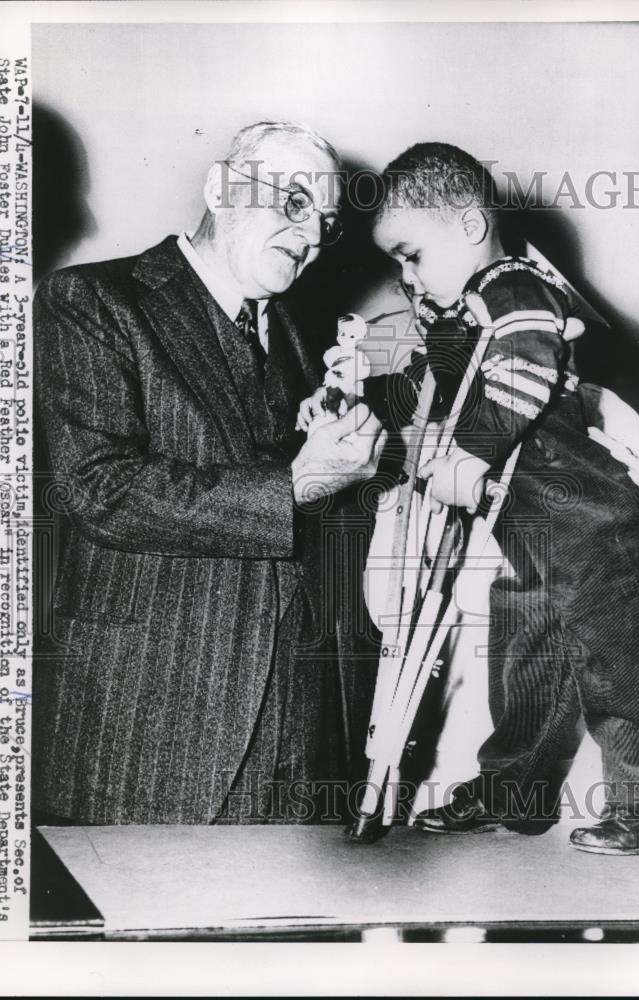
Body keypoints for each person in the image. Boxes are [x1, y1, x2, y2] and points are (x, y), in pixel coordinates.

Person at [32, 121, 386, 826]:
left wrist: (323, 445)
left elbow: (263, 481)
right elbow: (101, 488)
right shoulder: (92, 300)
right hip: (151, 722)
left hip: (295, 721)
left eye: (323, 221)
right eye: (291, 203)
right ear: (221, 188)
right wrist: (296, 484)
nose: (310, 235)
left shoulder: (290, 330)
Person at [356, 142, 639, 855]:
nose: (404, 274)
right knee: (526, 657)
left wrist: (469, 453)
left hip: (592, 520)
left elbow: (526, 366)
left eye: (411, 253)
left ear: (469, 226)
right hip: (529, 527)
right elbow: (434, 385)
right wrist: (368, 394)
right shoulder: (464, 314)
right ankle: (515, 791)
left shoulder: (513, 287)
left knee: (614, 659)